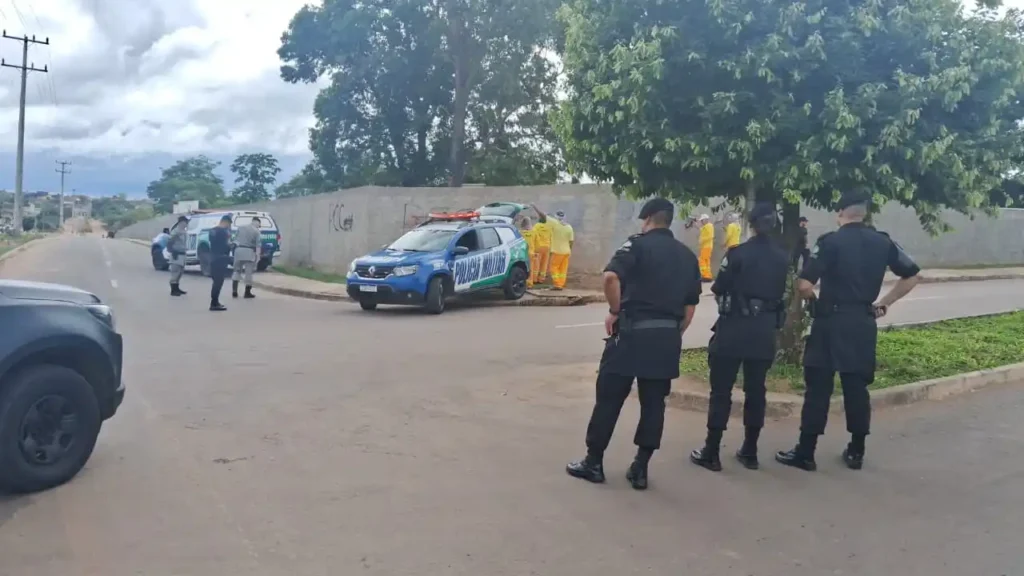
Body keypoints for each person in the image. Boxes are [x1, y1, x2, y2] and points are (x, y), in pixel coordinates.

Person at [776, 191, 921, 471]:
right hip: (862, 322)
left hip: (830, 321)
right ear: (864, 213)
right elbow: (912, 275)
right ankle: (856, 451)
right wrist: (883, 304)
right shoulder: (883, 241)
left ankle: (806, 452)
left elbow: (804, 284)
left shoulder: (830, 242)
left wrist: (816, 304)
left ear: (840, 212)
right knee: (856, 386)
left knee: (818, 386)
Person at [566, 198, 703, 491]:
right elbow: (690, 307)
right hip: (665, 339)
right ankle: (640, 468)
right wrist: (672, 333)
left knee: (609, 398)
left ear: (649, 218)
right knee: (654, 404)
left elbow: (610, 277)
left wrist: (615, 311)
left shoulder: (637, 246)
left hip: (630, 336)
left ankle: (594, 462)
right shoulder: (687, 257)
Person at [689, 202, 789, 472]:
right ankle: (750, 450)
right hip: (765, 331)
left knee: (721, 391)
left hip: (733, 329)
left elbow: (719, 287)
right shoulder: (783, 257)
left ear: (751, 225)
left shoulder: (737, 254)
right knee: (756, 390)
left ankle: (712, 451)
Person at [532, 205, 574, 290]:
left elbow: (542, 215)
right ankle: (561, 284)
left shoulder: (555, 223)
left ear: (556, 216)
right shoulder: (569, 227)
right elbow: (571, 241)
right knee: (563, 269)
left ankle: (557, 285)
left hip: (557, 251)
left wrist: (535, 206)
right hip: (567, 252)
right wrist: (570, 250)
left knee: (553, 268)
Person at [232, 217, 262, 299]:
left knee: (236, 271)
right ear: (258, 223)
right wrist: (258, 257)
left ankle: (234, 291)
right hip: (249, 252)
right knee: (249, 273)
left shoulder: (240, 228)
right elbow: (258, 246)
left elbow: (235, 239)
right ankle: (247, 292)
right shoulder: (257, 231)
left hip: (238, 251)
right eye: (259, 225)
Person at [208, 214, 233, 311]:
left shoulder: (212, 230)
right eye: (229, 224)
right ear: (226, 222)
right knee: (219, 282)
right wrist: (232, 245)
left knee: (216, 282)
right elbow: (225, 246)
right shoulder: (223, 232)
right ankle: (214, 303)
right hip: (221, 258)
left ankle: (215, 301)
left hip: (213, 257)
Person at [167, 216, 189, 297]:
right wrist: (172, 251)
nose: (186, 224)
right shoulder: (176, 231)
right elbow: (170, 241)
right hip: (176, 254)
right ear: (181, 222)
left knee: (180, 272)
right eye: (185, 222)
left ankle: (177, 288)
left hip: (182, 254)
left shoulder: (183, 231)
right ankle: (173, 290)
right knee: (175, 272)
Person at [531, 207, 553, 285]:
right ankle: (541, 279)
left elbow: (532, 234)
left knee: (537, 263)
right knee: (544, 263)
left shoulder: (537, 226)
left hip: (539, 247)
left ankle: (534, 279)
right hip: (547, 247)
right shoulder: (549, 226)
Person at [518, 216, 538, 288]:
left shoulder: (519, 232)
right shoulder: (534, 232)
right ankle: (530, 283)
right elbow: (536, 242)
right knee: (531, 269)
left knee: (523, 269)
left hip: (523, 254)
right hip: (531, 253)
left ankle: (523, 282)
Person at [698, 214, 714, 281]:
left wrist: (702, 240)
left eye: (702, 220)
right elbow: (702, 230)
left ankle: (705, 276)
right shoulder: (706, 226)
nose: (701, 222)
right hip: (706, 246)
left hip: (706, 246)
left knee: (702, 261)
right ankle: (708, 276)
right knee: (706, 261)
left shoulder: (709, 226)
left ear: (705, 220)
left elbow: (710, 236)